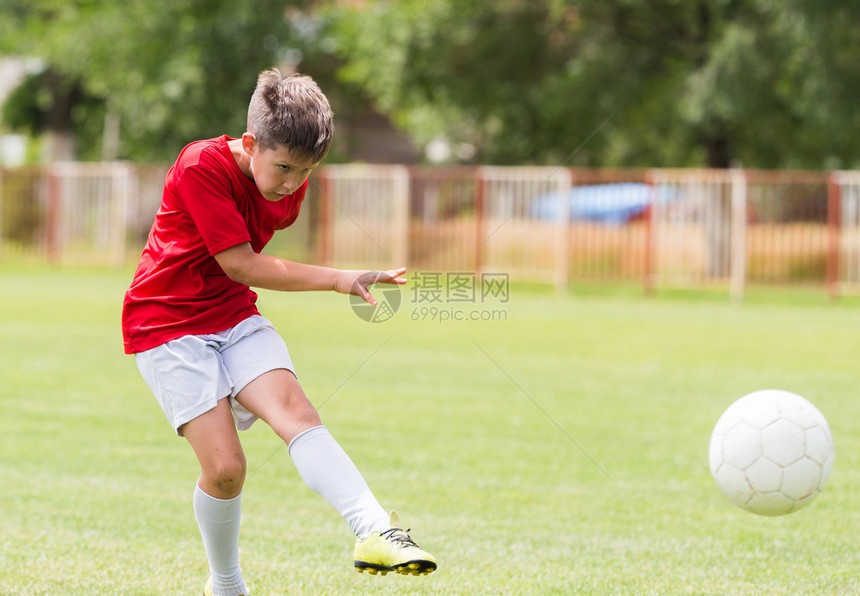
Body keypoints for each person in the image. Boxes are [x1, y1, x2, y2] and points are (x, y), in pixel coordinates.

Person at [121, 68, 436, 596]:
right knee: (226, 471)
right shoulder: (202, 164)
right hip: (166, 321)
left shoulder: (290, 180)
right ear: (249, 144)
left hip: (233, 314)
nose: (292, 183)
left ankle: (375, 529)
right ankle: (225, 585)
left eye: (306, 171)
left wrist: (295, 178)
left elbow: (241, 274)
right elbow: (241, 263)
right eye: (284, 167)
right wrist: (339, 279)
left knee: (297, 413)